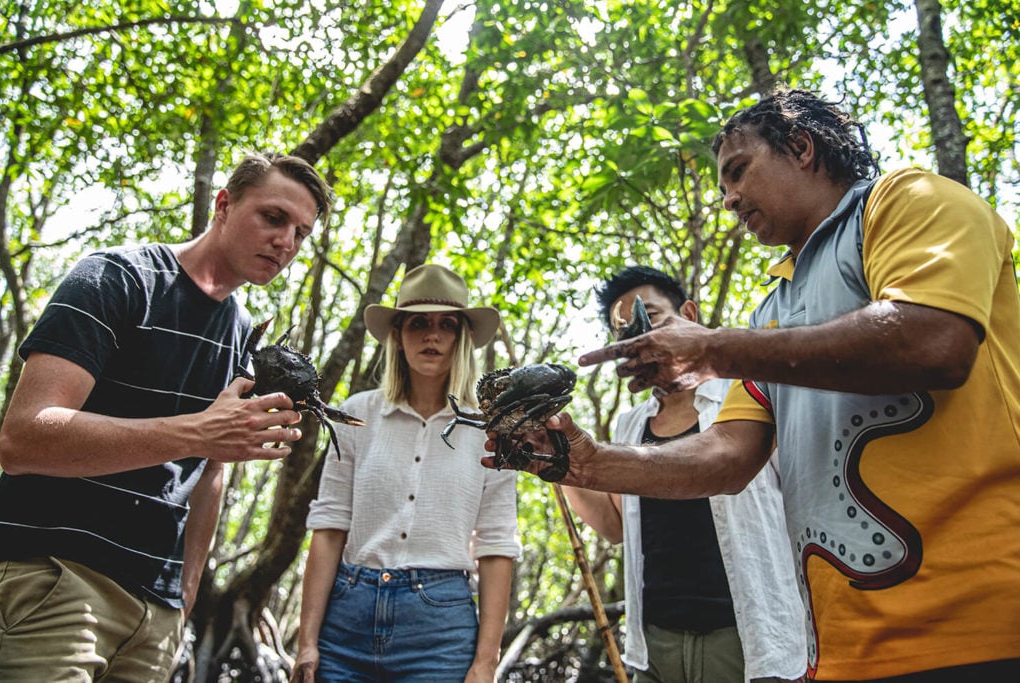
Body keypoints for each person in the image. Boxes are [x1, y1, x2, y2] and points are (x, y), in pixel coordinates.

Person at [487, 89, 1020, 681]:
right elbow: (725, 455)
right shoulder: (772, 310)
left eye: (738, 172)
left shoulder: (909, 201)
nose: (729, 198)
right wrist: (584, 463)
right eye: (722, 187)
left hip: (983, 625)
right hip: (843, 649)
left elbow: (935, 338)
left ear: (801, 146)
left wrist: (713, 348)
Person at [0, 151, 332, 682]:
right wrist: (197, 432)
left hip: (156, 616)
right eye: (273, 218)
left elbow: (211, 473)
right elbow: (23, 439)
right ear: (223, 205)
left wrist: (183, 602)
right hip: (56, 583)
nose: (286, 242)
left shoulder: (243, 335)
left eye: (301, 233)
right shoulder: (117, 279)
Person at [563, 265, 806, 683]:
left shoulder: (749, 393)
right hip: (655, 645)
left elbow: (802, 499)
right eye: (623, 329)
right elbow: (617, 526)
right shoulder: (630, 425)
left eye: (650, 316)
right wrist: (559, 463)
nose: (637, 335)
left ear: (689, 316)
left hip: (750, 637)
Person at [293, 263, 521, 683]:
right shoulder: (358, 414)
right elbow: (329, 525)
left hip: (440, 630)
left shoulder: (492, 432)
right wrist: (307, 641)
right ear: (397, 336)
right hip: (346, 622)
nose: (431, 335)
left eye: (446, 324)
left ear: (462, 339)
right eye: (418, 323)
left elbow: (496, 545)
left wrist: (485, 663)